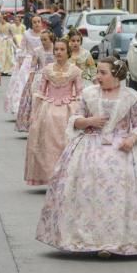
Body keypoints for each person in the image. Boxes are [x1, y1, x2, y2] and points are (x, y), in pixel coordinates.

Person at [36, 57, 137, 256]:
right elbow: (75, 119)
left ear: (116, 75)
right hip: (90, 145)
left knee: (122, 195)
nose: (98, 77)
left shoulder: (130, 97)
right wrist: (88, 121)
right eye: (98, 72)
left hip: (123, 149)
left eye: (103, 73)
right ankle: (84, 239)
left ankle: (119, 241)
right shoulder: (89, 94)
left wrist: (132, 139)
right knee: (85, 192)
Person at [25, 38, 84, 186]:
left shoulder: (75, 71)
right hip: (48, 109)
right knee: (47, 143)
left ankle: (66, 176)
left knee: (66, 142)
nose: (58, 52)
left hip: (67, 110)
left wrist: (78, 110)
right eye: (56, 49)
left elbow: (80, 93)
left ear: (68, 52)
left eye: (62, 49)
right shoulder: (47, 69)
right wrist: (35, 113)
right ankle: (50, 175)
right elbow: (41, 91)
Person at [5, 15, 45, 118]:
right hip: (29, 62)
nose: (37, 24)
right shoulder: (27, 34)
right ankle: (21, 108)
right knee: (24, 84)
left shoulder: (45, 34)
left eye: (38, 22)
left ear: (41, 23)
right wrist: (20, 62)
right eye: (34, 22)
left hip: (42, 62)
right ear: (31, 24)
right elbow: (22, 48)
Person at [16, 29, 54, 133]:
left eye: (45, 39)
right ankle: (36, 125)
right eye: (41, 40)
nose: (43, 42)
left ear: (51, 40)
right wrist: (31, 80)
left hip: (54, 77)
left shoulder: (56, 49)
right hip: (40, 77)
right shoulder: (37, 50)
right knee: (37, 102)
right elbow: (33, 67)